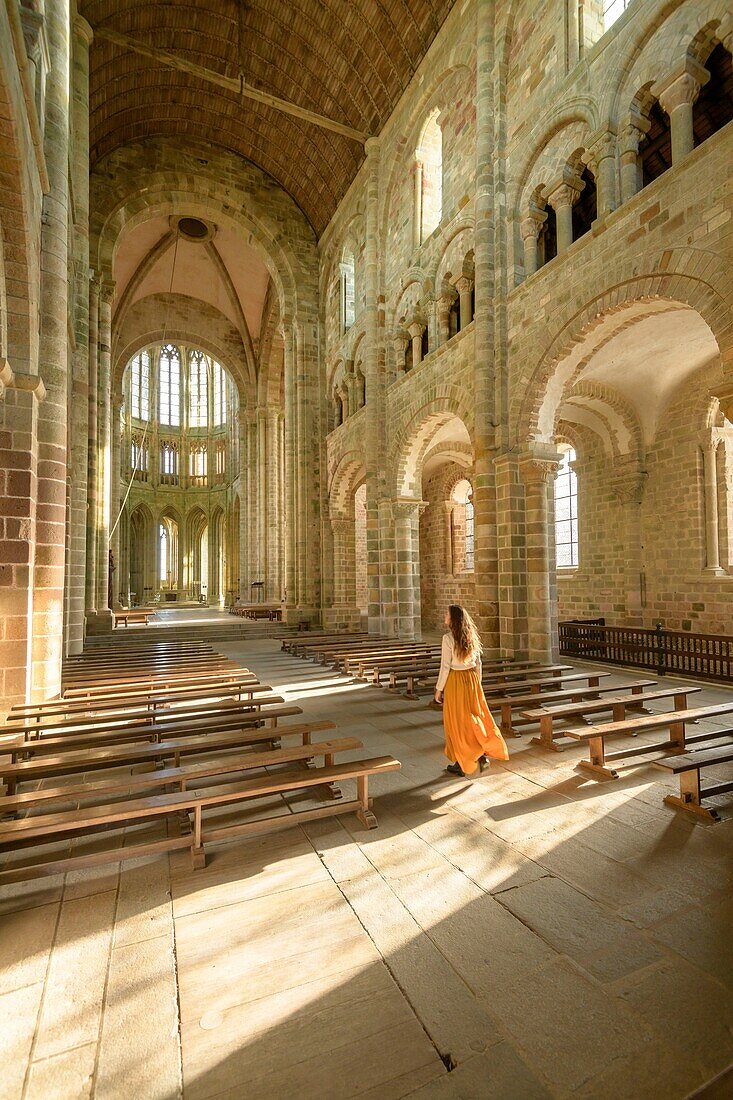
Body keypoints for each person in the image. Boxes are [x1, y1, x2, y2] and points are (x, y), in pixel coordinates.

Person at [435, 604, 509, 777]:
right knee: (477, 717)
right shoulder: (471, 636)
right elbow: (478, 664)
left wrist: (439, 689)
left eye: (446, 614)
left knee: (458, 722)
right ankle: (480, 754)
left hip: (456, 681)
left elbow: (445, 666)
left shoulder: (448, 638)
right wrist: (478, 683)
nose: (444, 616)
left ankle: (464, 762)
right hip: (472, 680)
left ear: (453, 619)